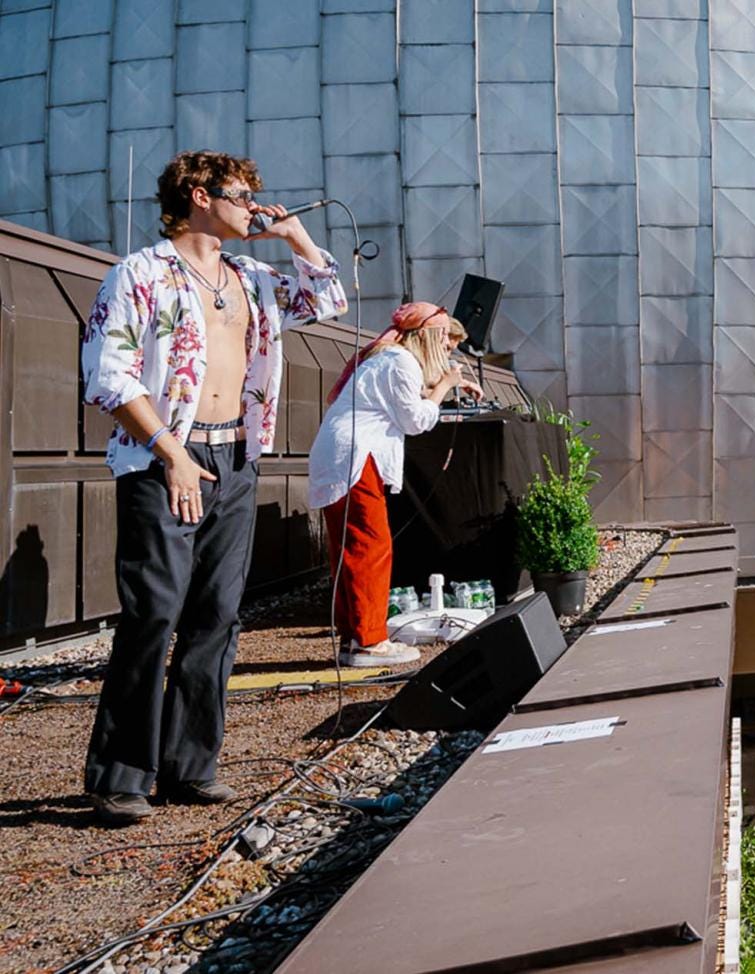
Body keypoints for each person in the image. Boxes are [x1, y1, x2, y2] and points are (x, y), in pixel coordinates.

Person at [79, 151, 347, 825]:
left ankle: (189, 766)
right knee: (153, 615)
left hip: (235, 453)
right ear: (199, 195)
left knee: (218, 617)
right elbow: (108, 375)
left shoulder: (251, 276)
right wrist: (169, 452)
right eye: (240, 194)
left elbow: (326, 300)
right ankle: (120, 776)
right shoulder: (139, 273)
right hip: (163, 454)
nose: (252, 205)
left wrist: (293, 236)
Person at [308, 302, 479, 665]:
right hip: (357, 456)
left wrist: (448, 383)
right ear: (430, 336)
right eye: (447, 341)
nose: (450, 350)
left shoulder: (387, 359)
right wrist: (445, 386)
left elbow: (405, 398)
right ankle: (370, 642)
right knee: (371, 546)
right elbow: (416, 420)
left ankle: (355, 637)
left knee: (350, 548)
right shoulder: (400, 362)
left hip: (341, 454)